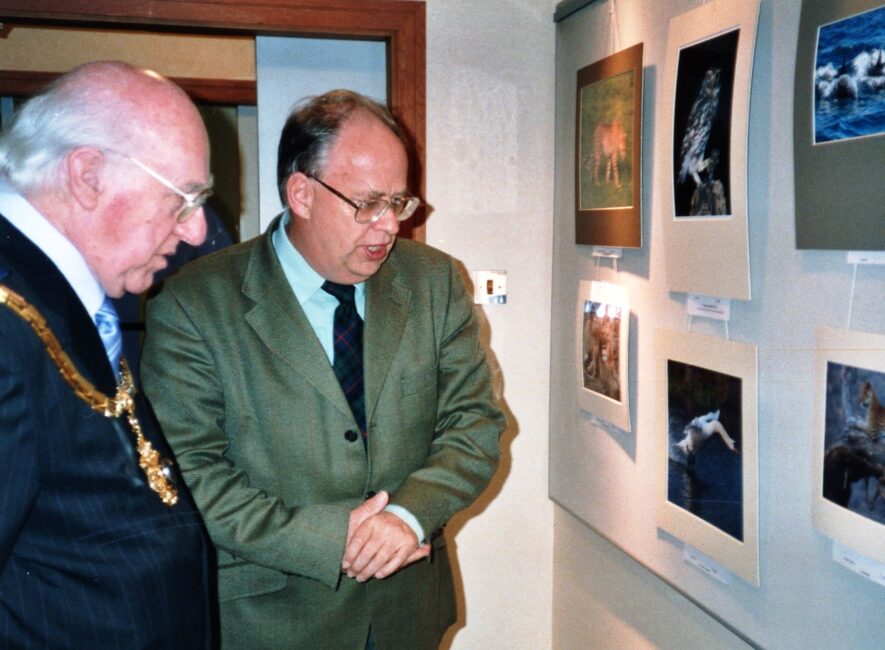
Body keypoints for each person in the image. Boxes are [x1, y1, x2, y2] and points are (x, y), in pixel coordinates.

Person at [141, 89, 505, 649]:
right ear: (302, 194)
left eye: (400, 203)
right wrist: (335, 538)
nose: (389, 227)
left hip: (405, 615)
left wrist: (407, 517)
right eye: (367, 203)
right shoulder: (195, 303)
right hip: (269, 621)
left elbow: (475, 425)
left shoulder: (436, 282)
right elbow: (191, 474)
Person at [0, 61, 214, 647]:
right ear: (88, 175)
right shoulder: (6, 324)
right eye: (183, 197)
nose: (196, 231)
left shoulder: (54, 297)